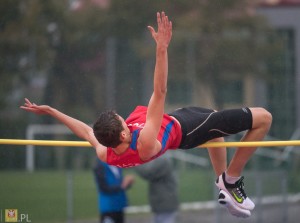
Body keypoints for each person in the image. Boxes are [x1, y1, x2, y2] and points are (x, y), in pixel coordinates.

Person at [20, 11, 272, 218]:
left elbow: (85, 130)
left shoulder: (106, 151)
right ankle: (232, 179)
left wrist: (52, 111)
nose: (124, 117)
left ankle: (221, 183)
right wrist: (161, 49)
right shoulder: (145, 142)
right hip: (187, 128)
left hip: (181, 119)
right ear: (122, 132)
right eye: (122, 120)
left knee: (217, 133)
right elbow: (160, 91)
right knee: (263, 118)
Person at [135, 155, 179, 223]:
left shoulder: (162, 159)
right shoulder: (161, 157)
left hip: (165, 204)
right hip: (163, 204)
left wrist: (134, 161)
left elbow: (147, 172)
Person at [93, 159, 134, 223]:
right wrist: (121, 186)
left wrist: (127, 183)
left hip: (119, 205)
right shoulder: (100, 166)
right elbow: (103, 187)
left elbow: (120, 183)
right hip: (108, 207)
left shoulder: (117, 165)